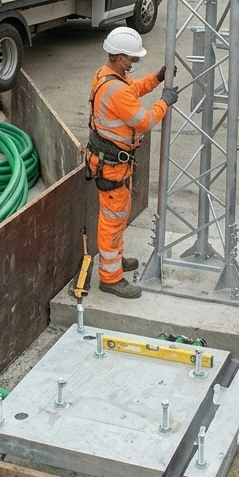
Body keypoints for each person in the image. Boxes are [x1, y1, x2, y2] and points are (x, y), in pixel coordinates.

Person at [86, 26, 179, 299]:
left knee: (117, 217)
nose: (134, 62)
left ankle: (114, 259)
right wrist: (164, 102)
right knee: (112, 221)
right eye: (131, 58)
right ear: (117, 56)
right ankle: (110, 277)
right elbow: (144, 121)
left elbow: (133, 89)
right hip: (112, 164)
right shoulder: (115, 88)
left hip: (111, 161)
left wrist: (157, 79)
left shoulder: (108, 76)